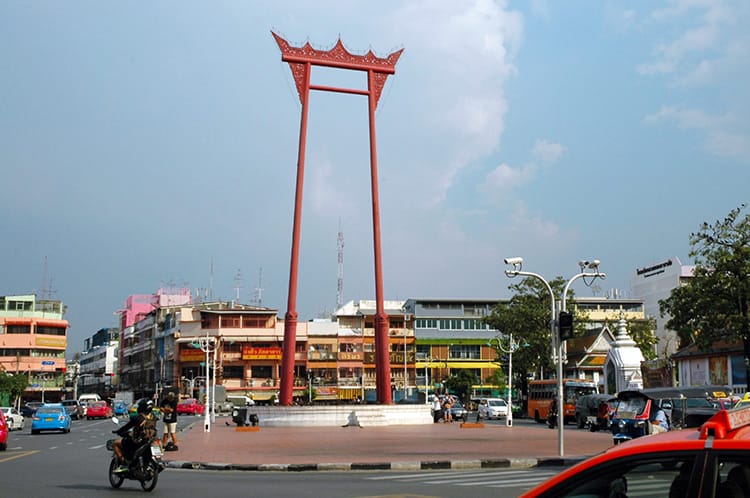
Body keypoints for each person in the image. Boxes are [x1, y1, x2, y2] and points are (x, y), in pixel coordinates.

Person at [112, 398, 158, 473]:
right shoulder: (153, 417)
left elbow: (127, 427)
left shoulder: (138, 417)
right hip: (150, 440)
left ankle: (124, 464)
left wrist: (119, 431)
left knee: (115, 443)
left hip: (137, 441)